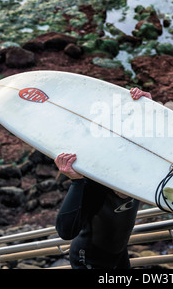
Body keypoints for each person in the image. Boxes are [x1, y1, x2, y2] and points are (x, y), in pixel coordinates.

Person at [54, 87, 152, 269]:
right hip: (89, 259)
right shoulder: (95, 185)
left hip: (119, 255)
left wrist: (147, 107)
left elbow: (158, 146)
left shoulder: (142, 176)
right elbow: (65, 231)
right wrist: (76, 182)